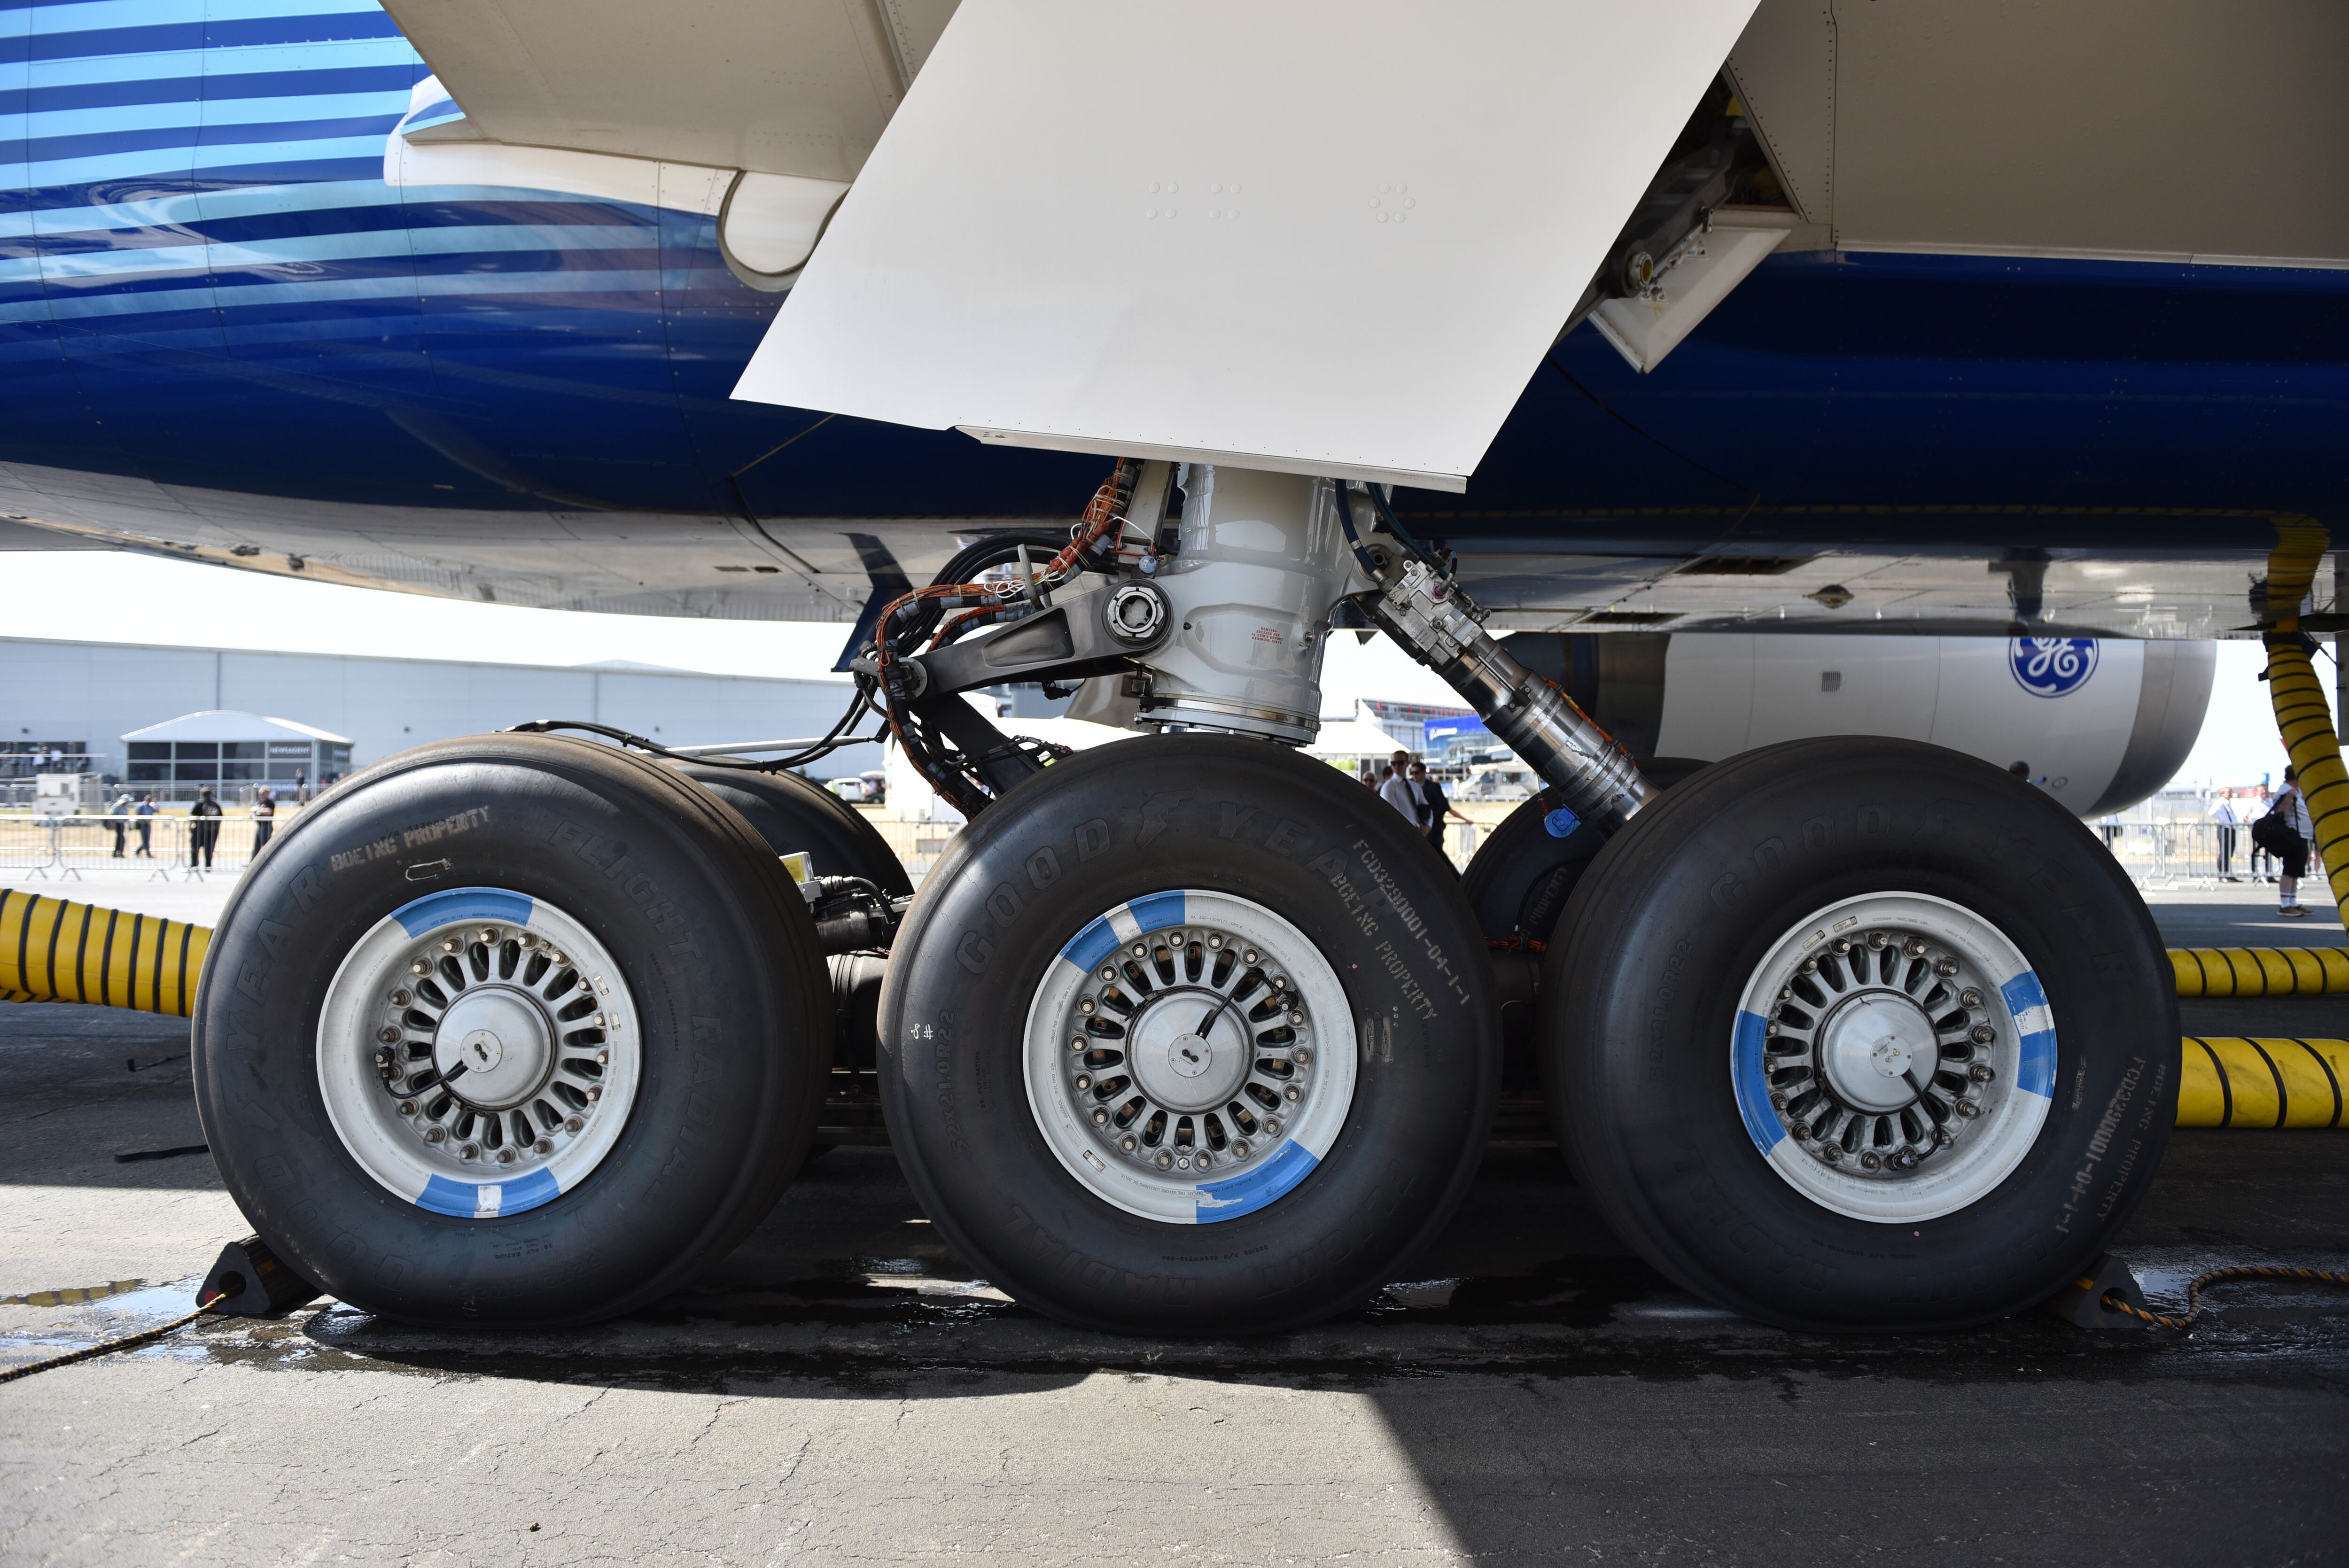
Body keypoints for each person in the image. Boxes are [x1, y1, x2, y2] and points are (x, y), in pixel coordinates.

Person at [2267, 766, 2315, 917]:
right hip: (2292, 835)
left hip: (2302, 836)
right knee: (2289, 871)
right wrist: (2288, 799)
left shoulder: (2297, 791)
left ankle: (2293, 902)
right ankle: (2285, 905)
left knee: (2295, 872)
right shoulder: (2285, 791)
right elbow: (2281, 813)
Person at [1409, 760, 1468, 862]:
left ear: (1424, 773)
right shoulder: (1412, 787)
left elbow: (1444, 806)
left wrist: (1430, 819)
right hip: (1419, 830)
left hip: (1434, 830)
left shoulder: (1433, 786)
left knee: (1437, 858)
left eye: (1417, 773)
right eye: (1412, 773)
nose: (1415, 775)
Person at [1377, 749, 1425, 830]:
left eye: (1400, 763)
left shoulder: (1414, 785)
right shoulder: (1388, 787)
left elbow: (1425, 806)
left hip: (1417, 832)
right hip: (1401, 833)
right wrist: (1416, 826)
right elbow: (1393, 814)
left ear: (1407, 763)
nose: (1396, 766)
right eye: (1393, 763)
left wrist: (1428, 826)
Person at [2210, 793, 2241, 881]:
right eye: (2228, 792)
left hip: (2231, 828)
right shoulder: (2220, 802)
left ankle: (2228, 873)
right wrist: (2222, 820)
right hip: (2224, 829)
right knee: (2224, 853)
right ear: (2223, 794)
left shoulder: (2228, 803)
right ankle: (2222, 875)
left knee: (2229, 853)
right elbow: (2212, 812)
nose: (2230, 794)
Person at [189, 787, 221, 869]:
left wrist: (190, 828)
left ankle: (194, 864)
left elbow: (193, 816)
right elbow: (220, 818)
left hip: (199, 830)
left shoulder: (199, 803)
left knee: (195, 848)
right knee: (210, 848)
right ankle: (208, 865)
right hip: (212, 831)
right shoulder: (216, 805)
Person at [250, 787, 277, 854]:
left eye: (263, 794)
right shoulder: (259, 803)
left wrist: (258, 809)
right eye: (260, 794)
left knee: (266, 847)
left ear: (268, 794)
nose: (261, 796)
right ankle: (252, 862)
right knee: (257, 846)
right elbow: (253, 810)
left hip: (267, 827)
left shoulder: (270, 803)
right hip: (260, 826)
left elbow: (269, 812)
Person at [107, 790, 132, 857]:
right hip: (117, 824)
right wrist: (112, 824)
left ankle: (117, 853)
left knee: (120, 838)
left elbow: (125, 816)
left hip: (122, 824)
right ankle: (119, 852)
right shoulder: (117, 806)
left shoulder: (125, 807)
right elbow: (111, 815)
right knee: (121, 838)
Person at [132, 793, 156, 857]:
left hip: (148, 824)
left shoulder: (152, 806)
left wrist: (156, 803)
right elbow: (137, 814)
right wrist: (144, 819)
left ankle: (139, 852)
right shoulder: (141, 806)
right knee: (145, 839)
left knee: (147, 839)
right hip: (142, 824)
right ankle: (148, 854)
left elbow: (157, 811)